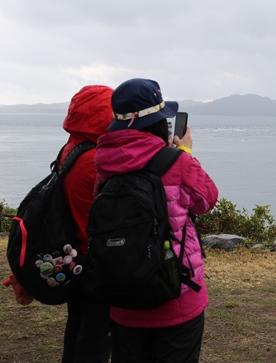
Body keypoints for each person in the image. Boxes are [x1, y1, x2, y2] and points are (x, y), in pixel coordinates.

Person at [94, 78, 218, 363]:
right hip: (176, 292)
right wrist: (184, 152)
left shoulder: (104, 163)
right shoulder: (177, 162)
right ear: (160, 122)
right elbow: (207, 199)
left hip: (122, 289)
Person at [60, 84, 114, 363]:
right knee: (95, 338)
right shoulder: (96, 159)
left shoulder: (72, 148)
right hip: (93, 257)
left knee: (79, 328)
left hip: (76, 253)